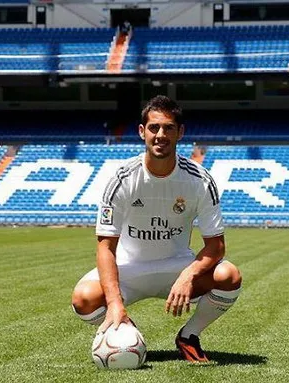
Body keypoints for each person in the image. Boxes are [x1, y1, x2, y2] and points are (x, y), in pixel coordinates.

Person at [71, 95, 242, 363]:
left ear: (180, 132)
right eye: (154, 128)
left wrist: (188, 275)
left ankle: (189, 336)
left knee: (229, 276)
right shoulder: (121, 180)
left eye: (168, 128)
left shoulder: (199, 180)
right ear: (142, 132)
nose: (160, 135)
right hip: (129, 270)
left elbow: (216, 246)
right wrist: (115, 303)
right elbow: (105, 248)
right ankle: (128, 335)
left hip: (177, 268)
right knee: (83, 299)